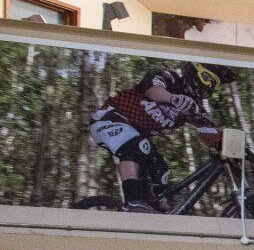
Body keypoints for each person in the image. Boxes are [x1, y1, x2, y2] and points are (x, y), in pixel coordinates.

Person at [88, 62, 235, 211]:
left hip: (134, 133)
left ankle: (151, 210)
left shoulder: (193, 108)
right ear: (195, 71)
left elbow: (210, 133)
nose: (209, 85)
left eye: (214, 83)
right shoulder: (169, 78)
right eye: (207, 78)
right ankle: (132, 202)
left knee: (161, 173)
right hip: (109, 119)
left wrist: (237, 147)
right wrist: (174, 98)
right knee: (137, 147)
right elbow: (152, 90)